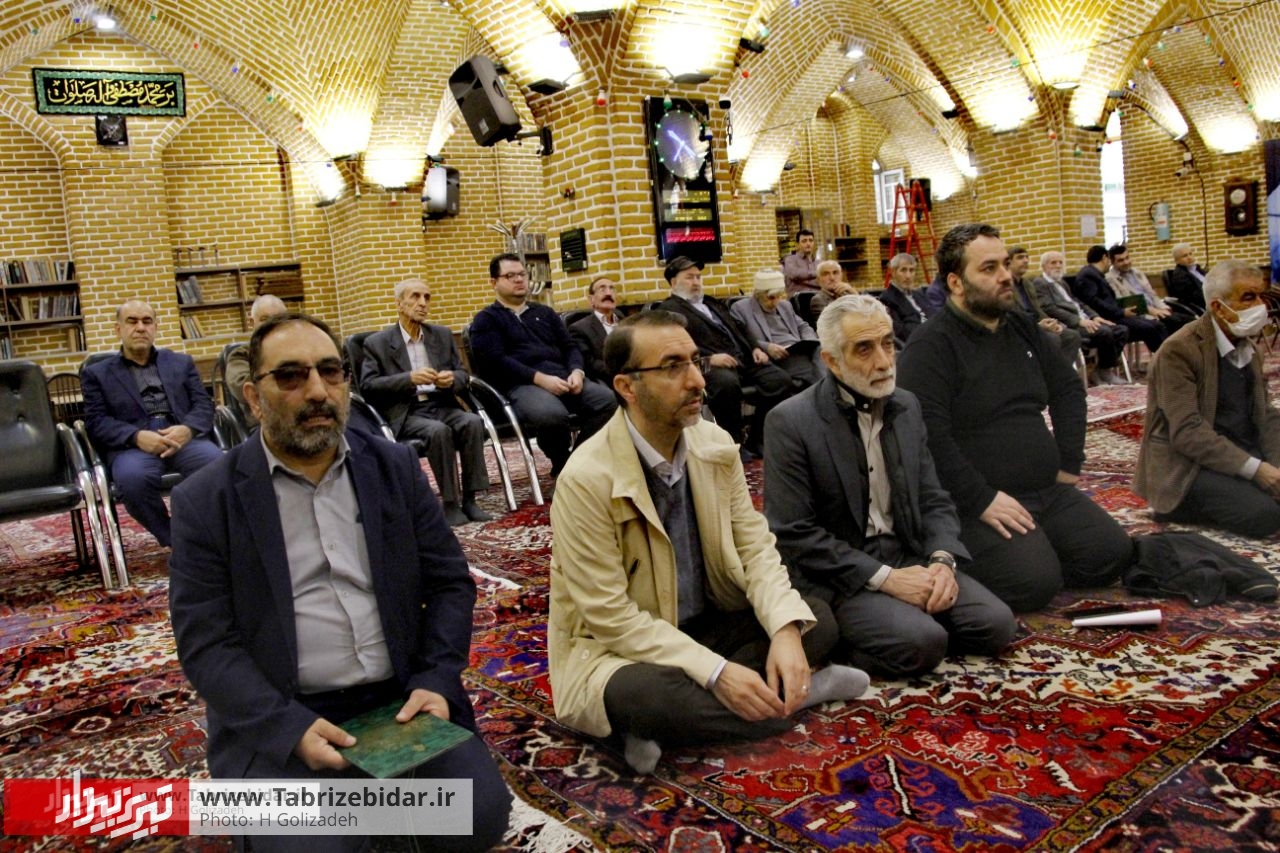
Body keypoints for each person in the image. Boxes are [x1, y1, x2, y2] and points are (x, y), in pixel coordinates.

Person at [168, 313, 512, 852]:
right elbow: (206, 643)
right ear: (252, 398)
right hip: (286, 713)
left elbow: (450, 584)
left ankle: (361, 810)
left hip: (399, 702)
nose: (317, 391)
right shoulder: (206, 499)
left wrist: (435, 679)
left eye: (331, 372)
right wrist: (287, 730)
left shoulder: (394, 467)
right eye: (291, 376)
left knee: (478, 818)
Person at [547, 311, 869, 776]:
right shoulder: (586, 478)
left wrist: (783, 631)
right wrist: (717, 672)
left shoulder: (712, 443)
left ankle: (660, 727)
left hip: (707, 622)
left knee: (815, 622)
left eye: (696, 361)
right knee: (646, 696)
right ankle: (799, 698)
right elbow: (610, 616)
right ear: (626, 386)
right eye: (672, 366)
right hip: (624, 649)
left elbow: (755, 547)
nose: (698, 380)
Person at [763, 295, 1015, 677]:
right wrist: (888, 580)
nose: (883, 361)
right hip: (842, 574)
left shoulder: (907, 406)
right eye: (864, 349)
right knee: (924, 643)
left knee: (996, 625)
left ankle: (900, 622)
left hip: (906, 555)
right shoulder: (791, 421)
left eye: (887, 343)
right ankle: (844, 645)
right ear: (832, 360)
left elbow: (933, 498)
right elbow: (794, 532)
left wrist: (942, 561)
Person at [897, 224, 1132, 612]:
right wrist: (980, 499)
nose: (1005, 275)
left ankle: (1039, 548)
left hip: (1047, 488)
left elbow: (1068, 389)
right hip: (978, 500)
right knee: (1033, 584)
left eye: (1005, 264)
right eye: (989, 268)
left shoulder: (1022, 327)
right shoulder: (930, 346)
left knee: (1111, 554)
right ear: (956, 283)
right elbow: (929, 437)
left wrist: (1069, 461)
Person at [1135, 261, 1280, 537]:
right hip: (1190, 465)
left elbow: (1266, 414)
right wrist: (1259, 471)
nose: (1260, 305)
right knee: (1265, 516)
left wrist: (1276, 465)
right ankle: (1183, 507)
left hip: (1238, 451)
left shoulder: (1250, 349)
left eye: (1260, 296)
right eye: (1248, 297)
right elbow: (1187, 433)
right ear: (1218, 307)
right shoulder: (1179, 351)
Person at [82, 299, 224, 547]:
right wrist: (136, 436)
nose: (140, 328)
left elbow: (203, 404)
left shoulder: (181, 363)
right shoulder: (97, 373)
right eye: (132, 321)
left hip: (182, 438)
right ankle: (175, 539)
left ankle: (207, 532)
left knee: (218, 466)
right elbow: (96, 422)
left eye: (147, 321)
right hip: (133, 445)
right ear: (118, 329)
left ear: (155, 327)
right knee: (132, 480)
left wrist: (188, 429)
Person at [359, 278, 493, 526]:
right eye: (415, 297)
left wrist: (451, 379)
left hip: (442, 404)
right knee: (438, 431)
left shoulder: (441, 335)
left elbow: (463, 375)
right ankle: (450, 503)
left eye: (427, 297)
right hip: (407, 411)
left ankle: (471, 500)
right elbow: (368, 387)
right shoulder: (377, 344)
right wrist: (408, 379)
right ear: (399, 304)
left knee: (472, 422)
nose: (423, 303)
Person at [469, 253, 616, 476]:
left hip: (564, 377)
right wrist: (539, 379)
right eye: (510, 276)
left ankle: (574, 463)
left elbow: (570, 347)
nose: (519, 279)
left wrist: (577, 371)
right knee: (551, 416)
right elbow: (496, 361)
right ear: (494, 282)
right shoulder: (486, 319)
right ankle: (562, 463)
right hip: (521, 384)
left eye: (522, 274)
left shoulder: (545, 313)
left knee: (607, 401)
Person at [657, 256, 793, 458]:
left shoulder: (711, 302)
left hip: (742, 358)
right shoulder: (669, 310)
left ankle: (758, 437)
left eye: (698, 277)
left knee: (780, 380)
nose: (696, 282)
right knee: (726, 385)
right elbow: (674, 345)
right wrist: (710, 358)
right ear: (674, 282)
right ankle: (733, 442)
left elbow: (740, 327)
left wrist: (755, 348)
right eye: (689, 277)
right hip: (704, 364)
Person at [1030, 250, 1130, 385]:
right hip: (1070, 324)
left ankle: (1101, 369)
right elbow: (1050, 308)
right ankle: (1102, 372)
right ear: (1043, 266)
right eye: (1053, 263)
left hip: (1085, 319)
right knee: (1105, 332)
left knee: (1121, 330)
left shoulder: (1062, 283)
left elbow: (1078, 303)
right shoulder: (1040, 283)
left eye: (1060, 262)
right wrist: (1079, 321)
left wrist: (1094, 316)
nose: (1058, 266)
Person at [730, 269, 821, 387]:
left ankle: (824, 389)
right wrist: (767, 347)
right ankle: (826, 391)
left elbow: (803, 326)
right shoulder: (741, 308)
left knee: (823, 351)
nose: (775, 302)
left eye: (779, 296)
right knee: (817, 370)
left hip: (798, 349)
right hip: (776, 356)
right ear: (757, 294)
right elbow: (740, 338)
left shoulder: (785, 305)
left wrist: (809, 341)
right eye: (771, 298)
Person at [1073, 244, 1167, 355]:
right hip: (1107, 317)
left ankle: (1166, 357)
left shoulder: (1094, 274)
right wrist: (1122, 312)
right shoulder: (1089, 276)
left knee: (1157, 325)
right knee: (1151, 327)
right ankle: (1164, 358)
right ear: (1104, 258)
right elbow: (1095, 302)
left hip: (1113, 314)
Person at [225, 294, 289, 427]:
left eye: (278, 319)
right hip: (265, 423)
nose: (271, 325)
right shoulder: (241, 355)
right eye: (264, 319)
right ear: (251, 322)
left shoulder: (299, 350)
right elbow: (241, 388)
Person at [1107, 243, 1195, 334]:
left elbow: (1152, 295)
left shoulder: (1137, 272)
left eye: (1127, 258)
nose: (1126, 262)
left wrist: (1164, 308)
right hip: (1141, 314)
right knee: (1177, 323)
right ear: (1112, 262)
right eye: (1121, 260)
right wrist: (1152, 311)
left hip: (1156, 309)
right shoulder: (1110, 279)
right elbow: (1125, 302)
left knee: (1191, 320)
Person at [568, 276, 620, 383]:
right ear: (591, 299)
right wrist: (620, 371)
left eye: (612, 289)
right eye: (602, 289)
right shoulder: (579, 328)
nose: (608, 293)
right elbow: (590, 363)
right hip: (606, 379)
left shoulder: (626, 322)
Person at [878, 253, 930, 345]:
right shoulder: (887, 300)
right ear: (893, 272)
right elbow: (902, 334)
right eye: (903, 270)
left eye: (911, 270)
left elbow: (936, 316)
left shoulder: (920, 295)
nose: (908, 276)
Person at [809, 259, 855, 325]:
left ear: (841, 276)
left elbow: (867, 313)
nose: (832, 278)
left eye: (835, 273)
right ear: (818, 280)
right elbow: (832, 325)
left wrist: (854, 293)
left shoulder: (848, 294)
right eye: (826, 274)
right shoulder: (818, 300)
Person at [1166, 244, 1208, 312]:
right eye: (1185, 256)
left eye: (1190, 254)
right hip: (1202, 306)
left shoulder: (1197, 269)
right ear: (1177, 260)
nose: (1189, 257)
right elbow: (1195, 297)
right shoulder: (1180, 276)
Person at [782, 229, 819, 295]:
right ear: (797, 244)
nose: (808, 244)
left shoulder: (818, 262)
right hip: (798, 297)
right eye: (804, 241)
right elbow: (795, 274)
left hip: (817, 296)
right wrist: (818, 273)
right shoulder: (790, 260)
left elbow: (823, 281)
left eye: (811, 240)